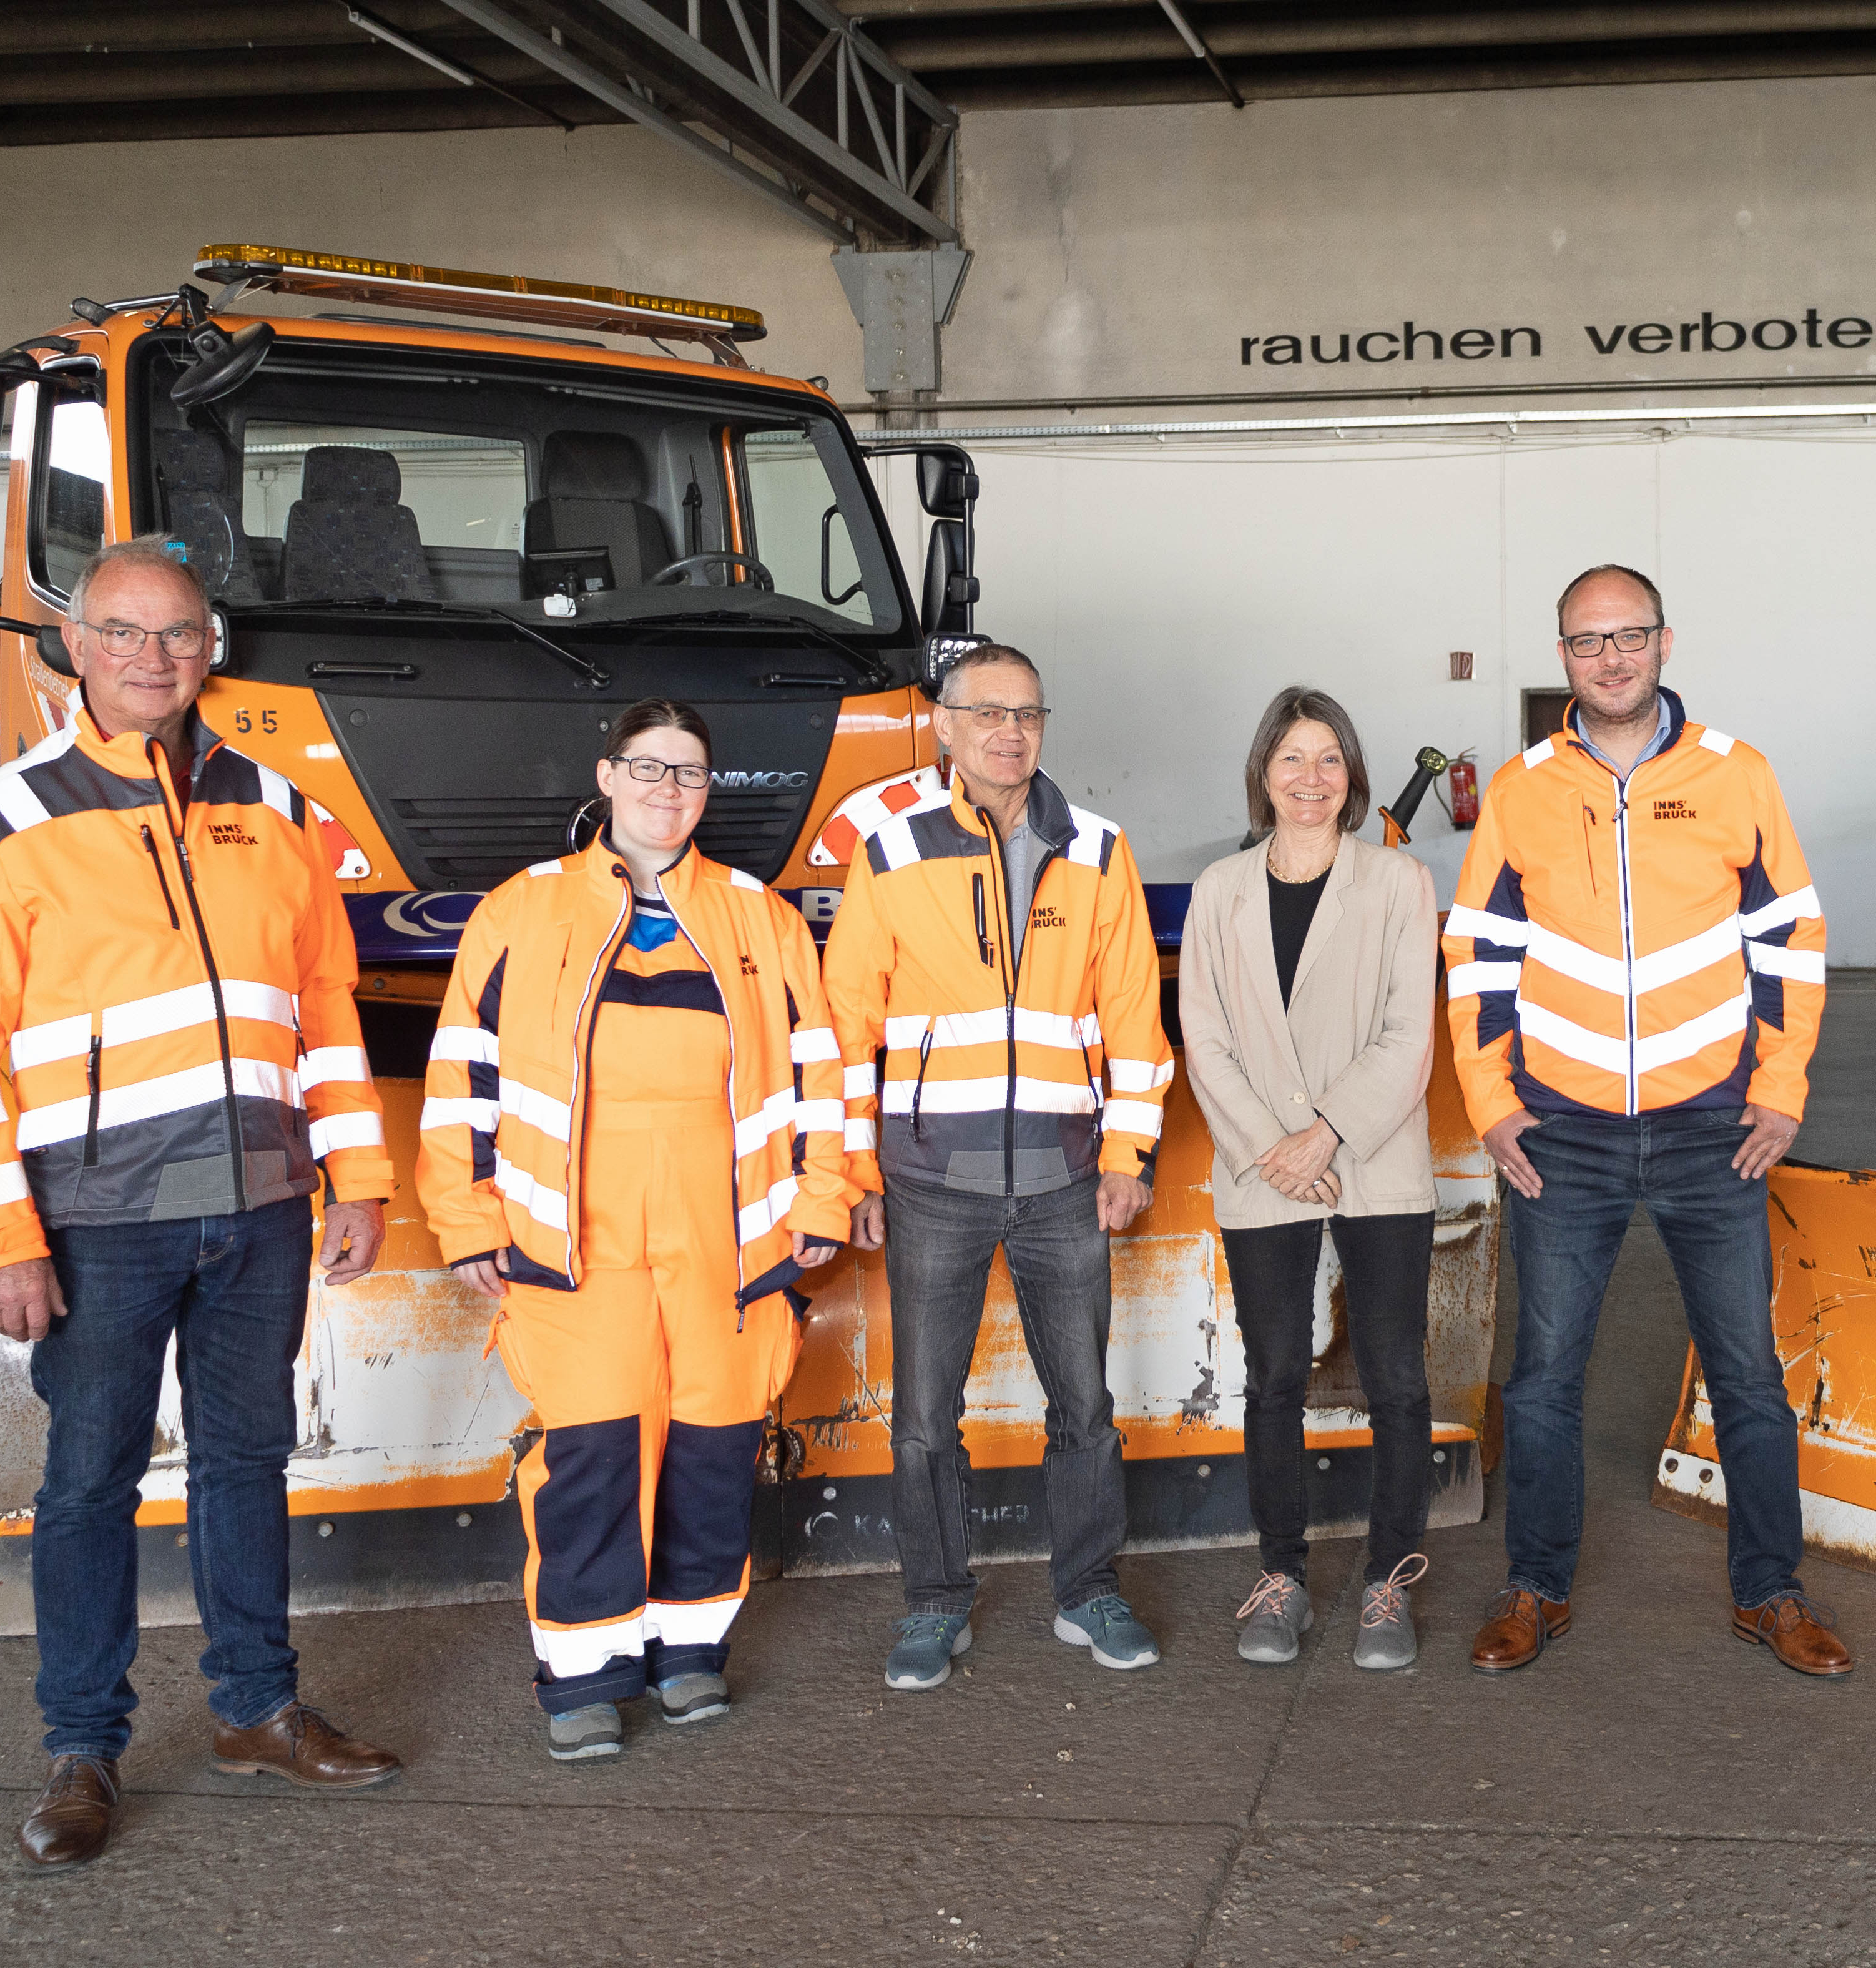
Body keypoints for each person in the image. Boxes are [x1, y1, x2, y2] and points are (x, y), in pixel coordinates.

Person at [0, 537, 403, 1870]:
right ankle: (83, 1747)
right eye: (124, 632)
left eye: (177, 633)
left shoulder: (278, 811)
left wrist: (358, 1172)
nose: (152, 657)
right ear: (75, 647)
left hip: (258, 1211)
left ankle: (255, 1707)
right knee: (88, 1483)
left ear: (211, 647)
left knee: (248, 1463)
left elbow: (324, 1014)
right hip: (95, 1220)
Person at [417, 700, 855, 1759]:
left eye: (691, 775)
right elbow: (462, 1074)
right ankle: (582, 1676)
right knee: (593, 1451)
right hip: (575, 1240)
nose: (669, 792)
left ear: (710, 793)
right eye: (649, 770)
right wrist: (467, 1217)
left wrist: (822, 1199)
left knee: (714, 1447)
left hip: (730, 1240)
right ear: (606, 778)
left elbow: (820, 1077)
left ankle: (689, 1654)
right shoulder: (522, 912)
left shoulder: (760, 917)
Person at [1443, 563, 1854, 1678]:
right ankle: (1535, 1584)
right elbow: (1477, 954)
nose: (1610, 658)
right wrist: (1490, 1105)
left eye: (1628, 636)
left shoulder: (1736, 775)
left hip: (1710, 1124)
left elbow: (1789, 943)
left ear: (1665, 644)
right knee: (1541, 1381)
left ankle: (1771, 1592)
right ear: (1562, 659)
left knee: (1748, 1377)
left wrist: (1778, 1089)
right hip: (1561, 1131)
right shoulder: (1525, 788)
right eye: (1586, 642)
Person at [816, 644, 1177, 1688]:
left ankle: (1089, 1592)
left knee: (1086, 1406)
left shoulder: (1099, 850)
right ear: (944, 724)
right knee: (927, 1418)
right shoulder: (889, 852)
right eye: (985, 713)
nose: (1007, 732)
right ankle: (932, 1605)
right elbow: (849, 1027)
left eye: (1026, 713)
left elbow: (1133, 1023)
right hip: (931, 1182)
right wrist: (852, 1173)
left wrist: (1127, 1154)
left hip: (1067, 1180)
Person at [1179, 687, 1444, 1670]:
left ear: (1352, 776)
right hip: (1262, 1173)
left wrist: (1323, 1135)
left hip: (1371, 1162)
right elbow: (1203, 1036)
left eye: (1328, 759)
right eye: (1291, 759)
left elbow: (1409, 1033)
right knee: (1274, 1378)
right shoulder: (1220, 889)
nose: (1309, 778)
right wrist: (1271, 1147)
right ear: (1263, 773)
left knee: (1397, 1379)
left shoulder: (1397, 883)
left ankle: (1387, 1581)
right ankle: (1281, 1575)